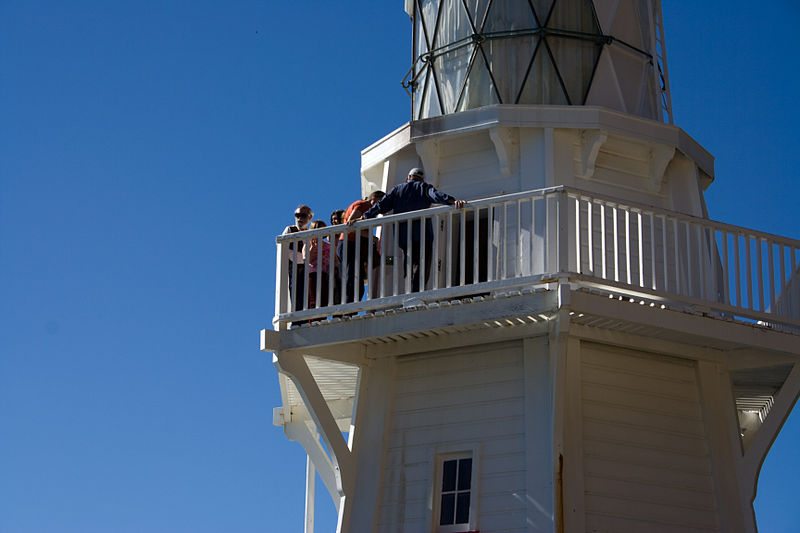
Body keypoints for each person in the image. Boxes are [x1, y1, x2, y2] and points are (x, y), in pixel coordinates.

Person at [357, 168, 466, 292]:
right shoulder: (423, 187)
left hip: (403, 236)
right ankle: (415, 294)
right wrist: (453, 201)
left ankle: (409, 292)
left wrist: (366, 216)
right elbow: (437, 196)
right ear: (421, 178)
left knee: (408, 263)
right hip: (422, 234)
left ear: (409, 176)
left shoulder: (397, 190)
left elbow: (381, 205)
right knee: (421, 264)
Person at [338, 191, 385, 303]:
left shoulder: (363, 205)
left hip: (349, 244)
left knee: (355, 278)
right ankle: (350, 307)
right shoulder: (365, 205)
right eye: (380, 201)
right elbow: (351, 224)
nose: (380, 205)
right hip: (349, 243)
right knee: (353, 279)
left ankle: (351, 305)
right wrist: (373, 238)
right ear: (374, 198)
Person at [282, 205, 313, 311]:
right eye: (297, 215)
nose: (299, 218)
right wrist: (303, 259)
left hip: (308, 271)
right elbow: (285, 250)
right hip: (295, 269)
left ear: (310, 217)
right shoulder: (290, 230)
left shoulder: (311, 233)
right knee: (296, 293)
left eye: (303, 215)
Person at [304, 220, 336, 310]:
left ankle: (321, 320)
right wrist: (312, 248)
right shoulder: (308, 244)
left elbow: (335, 260)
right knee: (314, 300)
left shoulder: (328, 245)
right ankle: (313, 322)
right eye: (319, 229)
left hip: (326, 275)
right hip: (313, 274)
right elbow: (307, 260)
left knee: (324, 300)